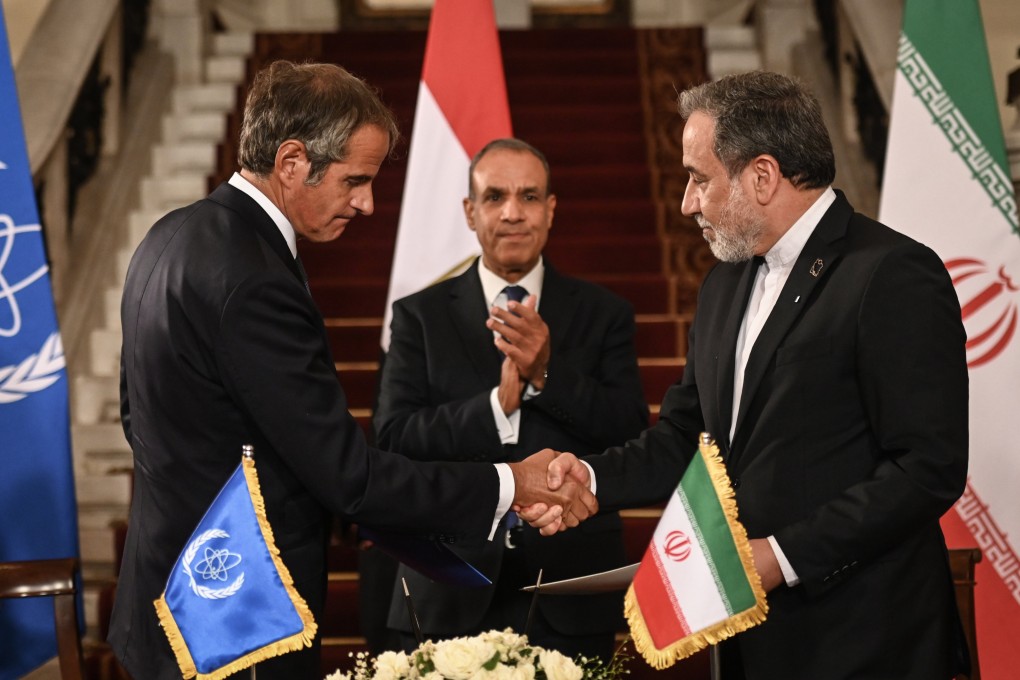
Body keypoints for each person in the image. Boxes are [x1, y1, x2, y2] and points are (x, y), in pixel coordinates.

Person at [111, 60, 595, 680]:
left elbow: (137, 417)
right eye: (355, 181)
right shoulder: (253, 277)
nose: (367, 204)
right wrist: (511, 483)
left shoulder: (171, 235)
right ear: (292, 162)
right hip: (234, 614)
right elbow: (347, 476)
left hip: (167, 590)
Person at [526, 71, 971, 680]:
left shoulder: (892, 273)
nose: (687, 203)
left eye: (699, 178)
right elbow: (688, 438)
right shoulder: (723, 283)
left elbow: (927, 468)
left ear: (762, 176)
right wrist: (592, 477)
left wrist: (783, 557)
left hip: (867, 639)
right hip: (750, 644)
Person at [373, 138, 649, 660]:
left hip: (570, 591)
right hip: (447, 585)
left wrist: (546, 374)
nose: (512, 213)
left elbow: (630, 433)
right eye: (495, 197)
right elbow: (393, 439)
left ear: (551, 209)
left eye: (529, 196)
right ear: (469, 211)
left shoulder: (605, 313)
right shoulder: (419, 316)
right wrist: (494, 409)